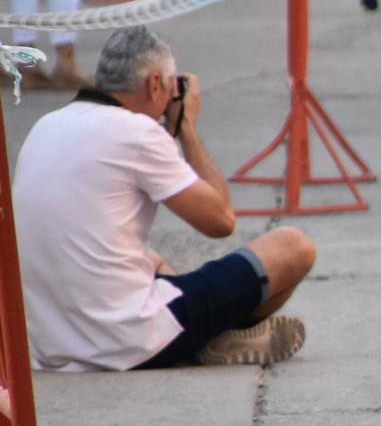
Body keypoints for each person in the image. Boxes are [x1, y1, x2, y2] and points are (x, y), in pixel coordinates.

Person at [12, 27, 316, 372]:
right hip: (125, 340)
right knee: (294, 246)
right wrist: (187, 130)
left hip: (50, 342)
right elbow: (221, 221)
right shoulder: (137, 132)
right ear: (155, 84)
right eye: (173, 85)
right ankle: (209, 338)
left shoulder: (46, 125)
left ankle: (208, 337)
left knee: (151, 258)